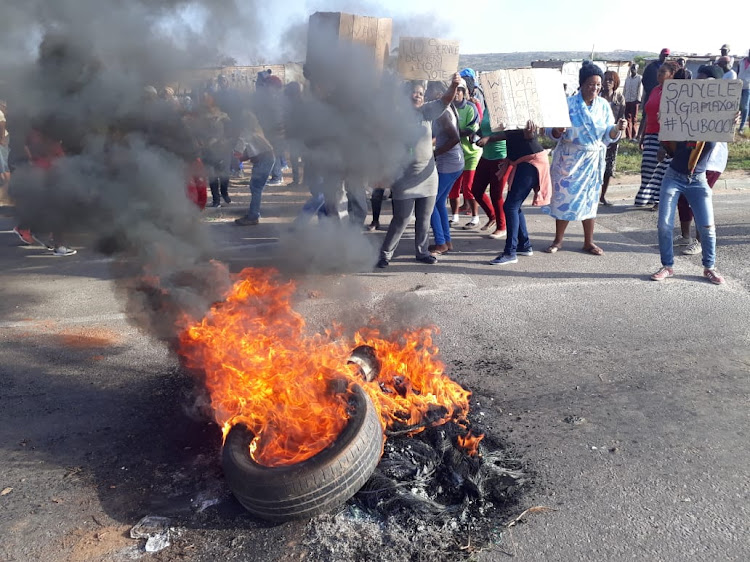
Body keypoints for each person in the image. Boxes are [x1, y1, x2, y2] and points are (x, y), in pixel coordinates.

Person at [376, 73, 461, 268]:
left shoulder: (427, 112)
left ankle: (422, 252)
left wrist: (454, 85)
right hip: (404, 177)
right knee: (401, 219)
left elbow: (446, 100)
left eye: (421, 93)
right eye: (414, 93)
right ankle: (385, 254)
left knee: (424, 218)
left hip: (428, 176)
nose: (417, 96)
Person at [542, 62, 626, 255]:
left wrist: (617, 129)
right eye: (590, 84)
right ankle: (558, 240)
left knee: (590, 200)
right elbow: (550, 130)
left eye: (598, 85)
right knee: (564, 199)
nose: (595, 88)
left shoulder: (604, 106)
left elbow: (608, 134)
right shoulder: (568, 104)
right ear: (581, 84)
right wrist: (557, 130)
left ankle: (588, 242)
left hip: (592, 160)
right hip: (569, 159)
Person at [650, 139, 725, 285]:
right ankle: (667, 266)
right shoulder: (680, 118)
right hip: (673, 177)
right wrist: (663, 145)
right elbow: (667, 148)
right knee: (664, 225)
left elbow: (725, 125)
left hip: (698, 178)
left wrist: (731, 119)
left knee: (707, 227)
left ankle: (709, 267)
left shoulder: (714, 121)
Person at [674, 65, 727, 257]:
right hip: (691, 158)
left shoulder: (720, 104)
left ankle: (699, 240)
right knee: (682, 197)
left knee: (697, 199)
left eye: (702, 79)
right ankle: (685, 236)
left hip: (711, 162)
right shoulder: (694, 102)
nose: (698, 82)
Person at [487, 121, 551, 265]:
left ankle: (510, 252)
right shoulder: (508, 115)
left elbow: (529, 134)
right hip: (523, 161)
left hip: (531, 160)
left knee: (511, 206)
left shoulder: (521, 112)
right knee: (514, 205)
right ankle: (524, 245)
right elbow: (510, 135)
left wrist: (530, 134)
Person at [634, 61, 679, 208]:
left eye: (662, 72)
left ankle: (659, 200)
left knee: (661, 169)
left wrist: (665, 142)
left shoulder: (674, 92)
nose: (658, 75)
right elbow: (647, 114)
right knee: (647, 167)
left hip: (664, 136)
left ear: (671, 75)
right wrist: (641, 136)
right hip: (650, 133)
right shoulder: (654, 90)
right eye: (658, 72)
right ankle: (646, 198)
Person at [425, 81, 463, 255]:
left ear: (440, 93)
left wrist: (436, 153)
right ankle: (447, 241)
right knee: (439, 201)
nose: (426, 94)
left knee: (430, 202)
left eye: (429, 91)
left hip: (449, 162)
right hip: (454, 162)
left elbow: (455, 138)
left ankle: (440, 243)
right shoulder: (448, 110)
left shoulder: (442, 113)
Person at [471, 105, 511, 239]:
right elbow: (485, 129)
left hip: (501, 157)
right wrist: (477, 134)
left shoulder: (504, 108)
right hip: (486, 156)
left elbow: (509, 134)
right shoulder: (487, 108)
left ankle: (502, 227)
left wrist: (489, 139)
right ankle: (492, 216)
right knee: (476, 190)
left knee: (496, 194)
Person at [448, 79, 483, 228]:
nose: (456, 94)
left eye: (459, 91)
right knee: (453, 187)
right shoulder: (448, 108)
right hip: (454, 154)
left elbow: (471, 128)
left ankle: (475, 217)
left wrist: (452, 133)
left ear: (464, 92)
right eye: (454, 91)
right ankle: (454, 216)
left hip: (470, 154)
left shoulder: (470, 108)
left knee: (468, 187)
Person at [233, 110, 275, 226]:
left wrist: (235, 158)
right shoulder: (257, 129)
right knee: (255, 187)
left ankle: (253, 216)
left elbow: (239, 151)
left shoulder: (246, 133)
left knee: (256, 188)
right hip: (267, 158)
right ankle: (254, 213)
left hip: (264, 160)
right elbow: (252, 151)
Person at [599, 71, 626, 206]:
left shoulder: (620, 99)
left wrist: (619, 129)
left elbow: (622, 117)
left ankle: (602, 196)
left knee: (608, 168)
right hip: (598, 137)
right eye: (606, 79)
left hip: (613, 137)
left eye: (611, 80)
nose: (608, 82)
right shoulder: (596, 97)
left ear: (615, 83)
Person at [638, 48, 669, 138]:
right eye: (664, 55)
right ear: (660, 55)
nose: (665, 57)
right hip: (651, 94)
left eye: (667, 56)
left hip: (664, 95)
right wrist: (650, 90)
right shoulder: (652, 66)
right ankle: (640, 135)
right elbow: (644, 79)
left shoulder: (668, 68)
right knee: (646, 115)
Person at [623, 63, 643, 140]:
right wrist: (623, 98)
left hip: (635, 100)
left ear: (637, 69)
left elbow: (640, 89)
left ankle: (634, 135)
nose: (633, 69)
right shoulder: (627, 79)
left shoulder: (639, 78)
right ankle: (628, 136)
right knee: (627, 118)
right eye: (632, 68)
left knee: (634, 119)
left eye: (635, 68)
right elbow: (625, 89)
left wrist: (638, 100)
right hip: (627, 100)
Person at [738, 49, 750, 134]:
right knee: (736, 105)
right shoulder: (741, 61)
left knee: (745, 107)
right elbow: (738, 71)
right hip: (738, 85)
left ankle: (741, 127)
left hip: (747, 87)